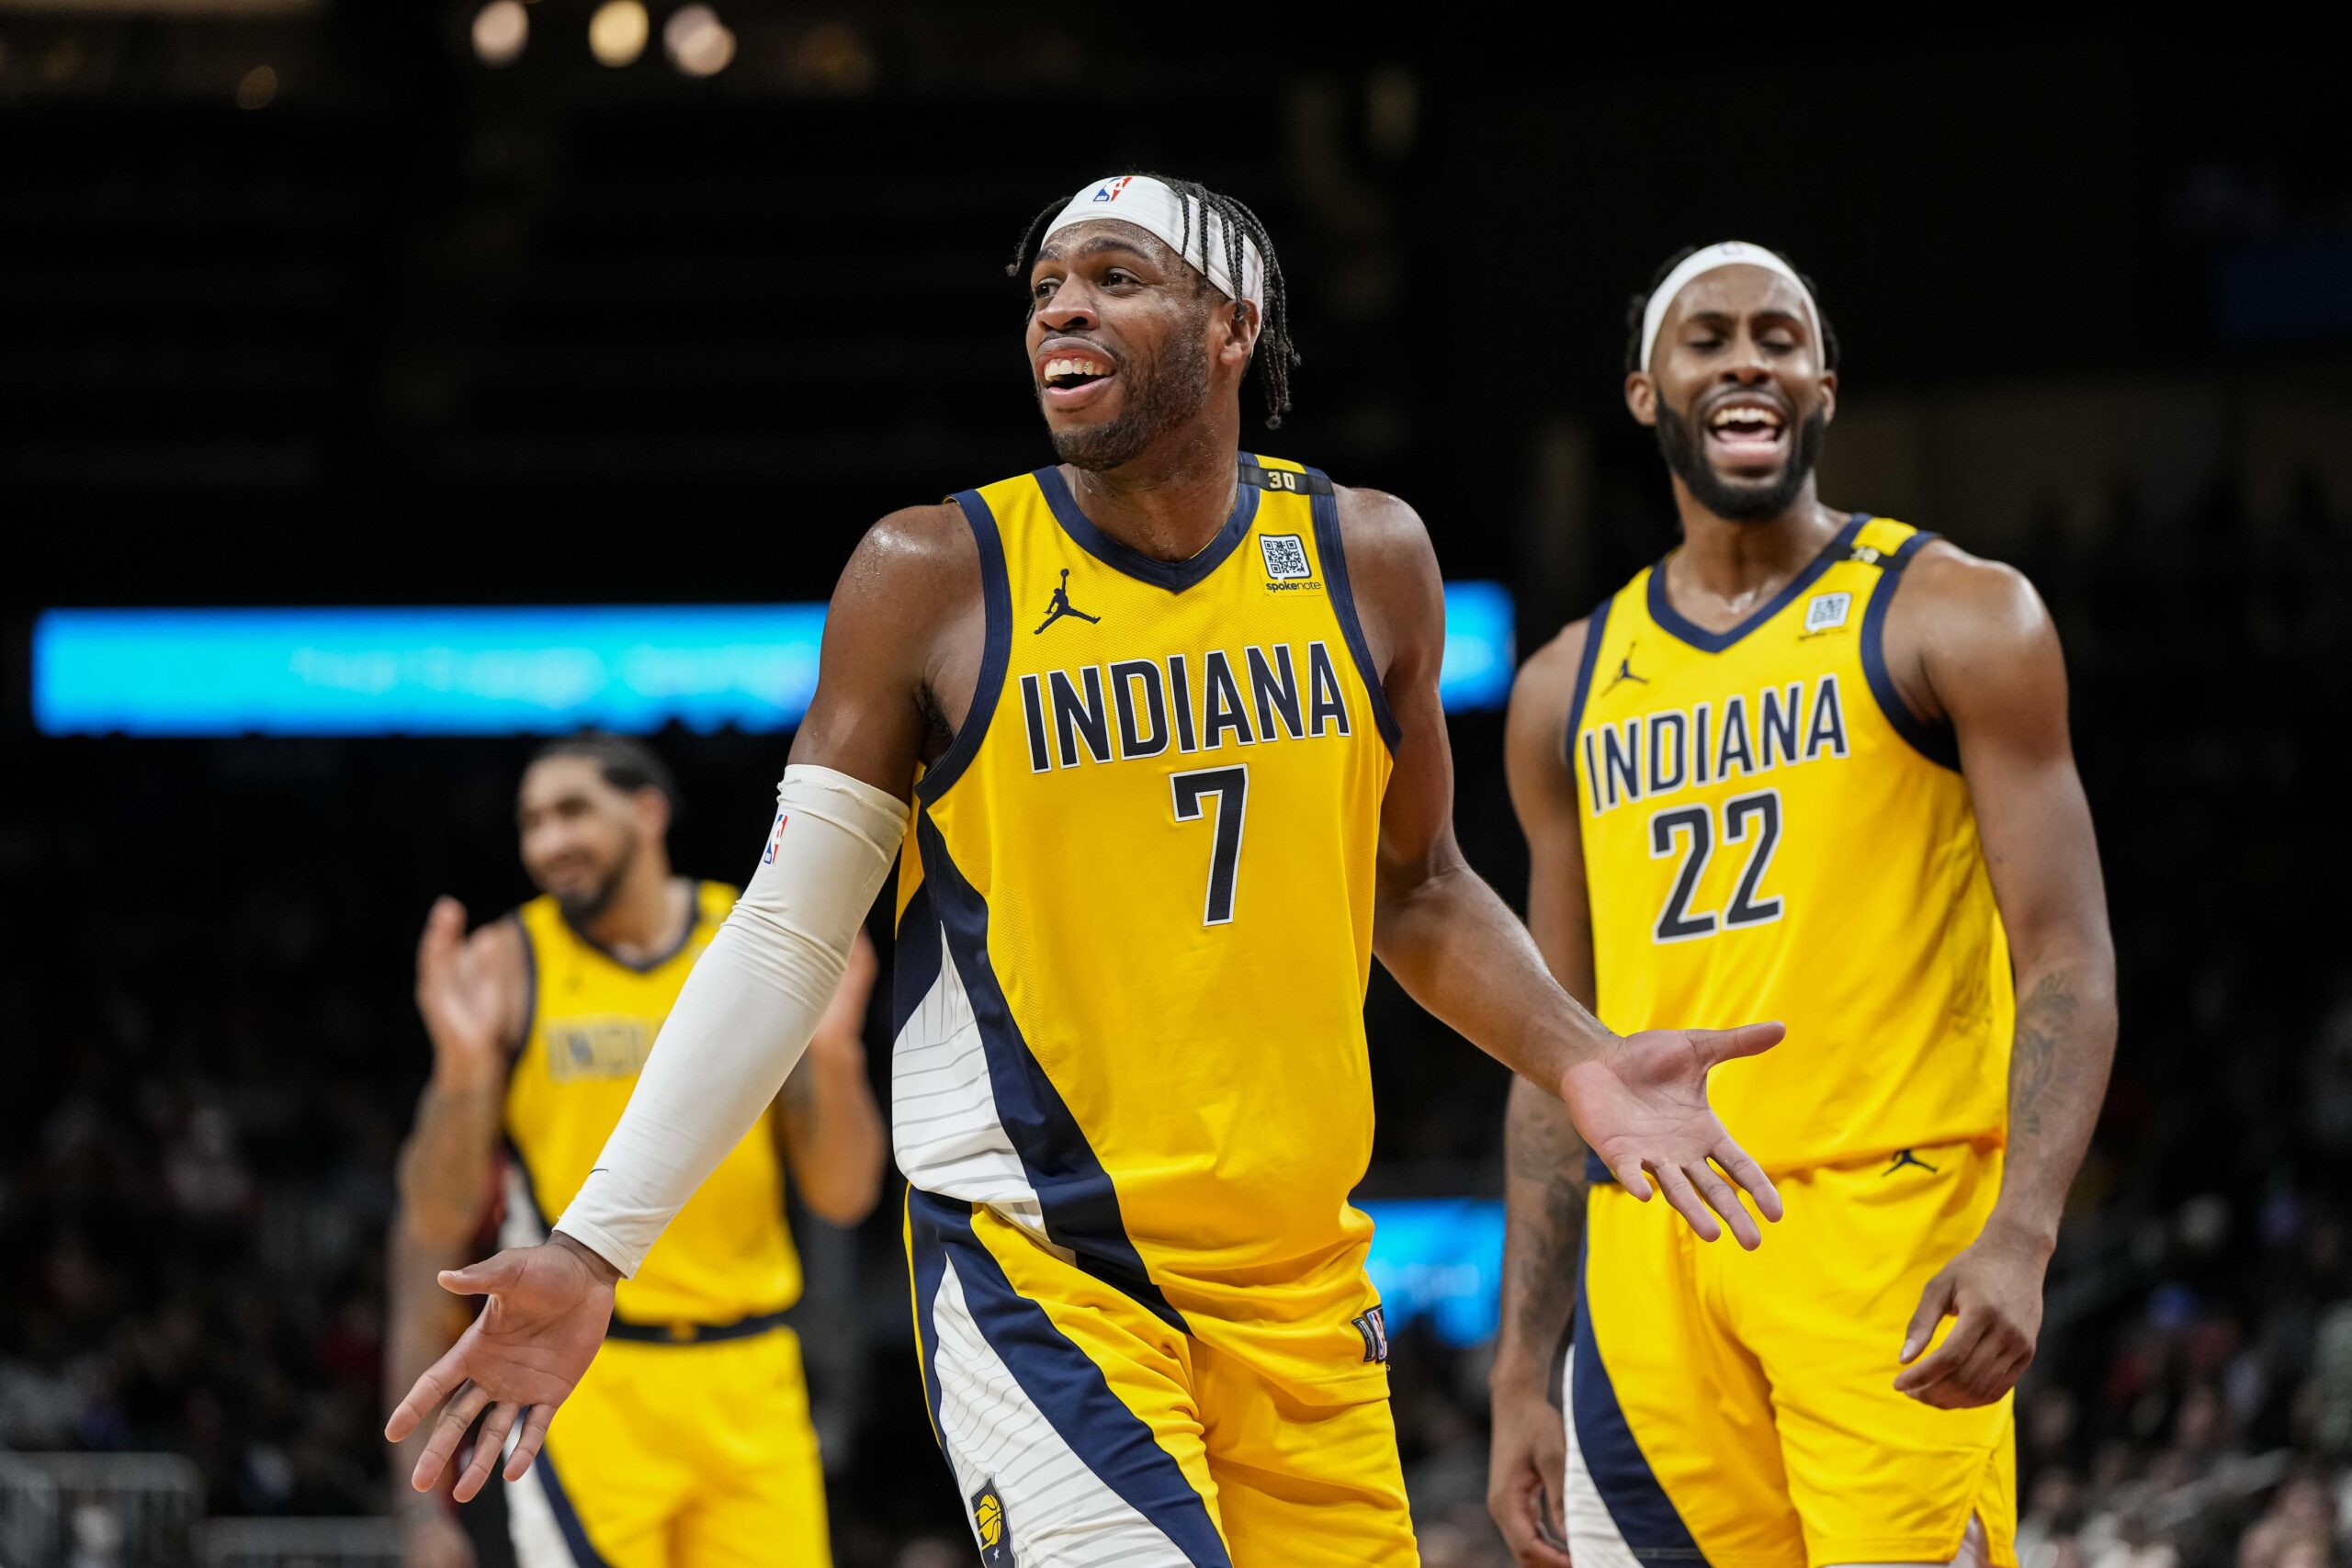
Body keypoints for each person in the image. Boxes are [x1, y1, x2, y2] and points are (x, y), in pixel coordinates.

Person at [389, 175, 1789, 1568]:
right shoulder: (932, 572)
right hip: (1046, 1271)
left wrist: (1579, 1054)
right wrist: (592, 1246)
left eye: (1116, 276)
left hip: (1306, 1282)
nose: (1062, 303)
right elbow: (781, 941)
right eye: (1049, 283)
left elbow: (1416, 888)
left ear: (1231, 326)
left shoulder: (1369, 556)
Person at [1485, 243, 2118, 1568]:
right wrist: (1519, 1371)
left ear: (1823, 385)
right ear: (1646, 393)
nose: (1745, 359)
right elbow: (1552, 1049)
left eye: (1778, 337)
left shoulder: (1959, 614)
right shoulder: (1564, 686)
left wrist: (2024, 1230)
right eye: (1706, 339)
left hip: (1889, 1235)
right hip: (1651, 1256)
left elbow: (2065, 952)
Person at [386, 734, 885, 1567]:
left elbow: (844, 1193)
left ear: (649, 811)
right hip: (585, 1371)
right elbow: (434, 1215)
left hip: (753, 1373)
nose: (548, 842)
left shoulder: (752, 940)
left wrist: (834, 1056)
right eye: (531, 821)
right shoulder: (508, 962)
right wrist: (465, 1069)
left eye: (573, 810)